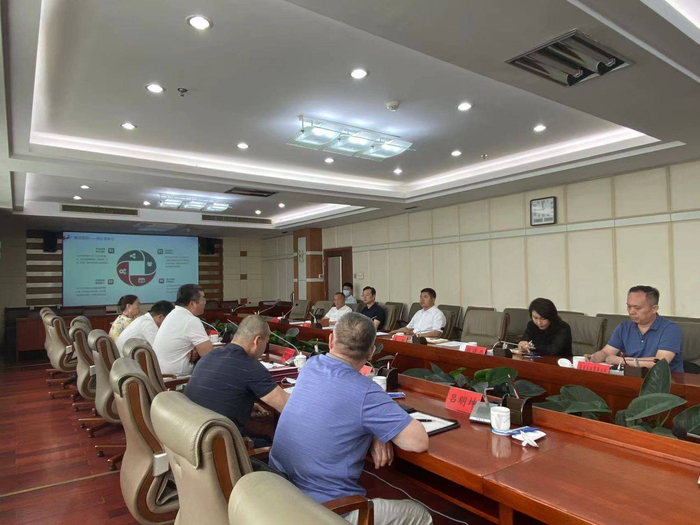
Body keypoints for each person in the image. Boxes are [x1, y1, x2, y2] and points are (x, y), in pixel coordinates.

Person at [269, 313, 431, 525]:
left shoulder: (311, 365)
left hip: (277, 494)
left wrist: (376, 431)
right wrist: (378, 429)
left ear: (331, 340)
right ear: (371, 352)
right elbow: (418, 442)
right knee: (421, 515)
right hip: (321, 512)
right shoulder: (366, 392)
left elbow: (340, 408)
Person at [185, 315, 289, 447]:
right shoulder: (250, 366)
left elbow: (214, 393)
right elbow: (286, 406)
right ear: (257, 340)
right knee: (270, 442)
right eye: (265, 343)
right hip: (218, 446)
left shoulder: (210, 355)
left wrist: (246, 407)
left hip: (191, 435)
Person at [585, 285, 683, 372]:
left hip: (664, 381)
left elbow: (660, 362)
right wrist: (594, 357)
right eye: (629, 307)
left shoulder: (670, 329)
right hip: (632, 377)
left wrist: (622, 361)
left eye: (637, 308)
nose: (631, 312)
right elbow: (607, 352)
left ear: (654, 308)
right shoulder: (624, 327)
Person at [153, 284, 213, 376]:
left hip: (161, 376)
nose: (205, 302)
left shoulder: (173, 314)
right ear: (192, 304)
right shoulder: (190, 320)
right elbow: (209, 355)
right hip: (176, 379)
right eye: (203, 299)